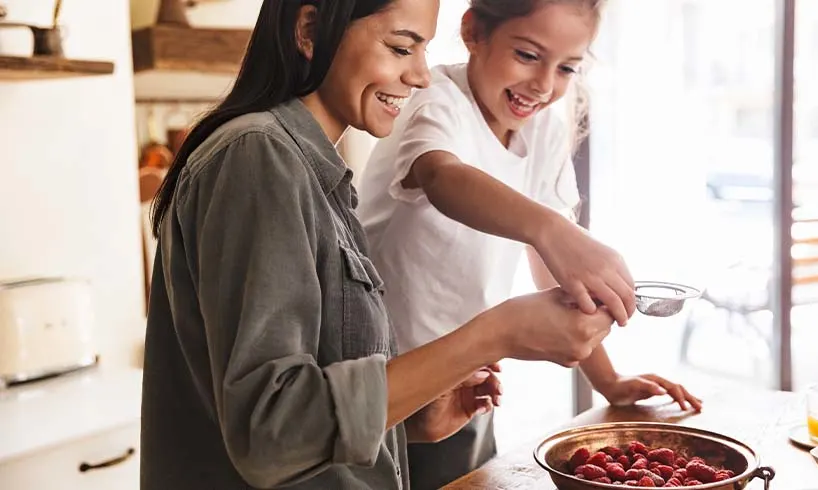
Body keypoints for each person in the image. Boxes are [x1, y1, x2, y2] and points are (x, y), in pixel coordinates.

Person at [140, 1, 617, 489]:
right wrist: (496, 333)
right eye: (400, 47)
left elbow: (310, 416)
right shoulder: (258, 157)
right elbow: (273, 436)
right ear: (309, 30)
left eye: (423, 50)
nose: (421, 76)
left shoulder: (313, 174)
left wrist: (407, 423)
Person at [356, 1, 703, 488]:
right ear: (474, 32)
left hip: (467, 384)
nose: (544, 85)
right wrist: (553, 229)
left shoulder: (539, 131)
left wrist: (608, 381)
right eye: (527, 54)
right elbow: (442, 175)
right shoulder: (436, 99)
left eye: (566, 68)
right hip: (387, 386)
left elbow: (554, 269)